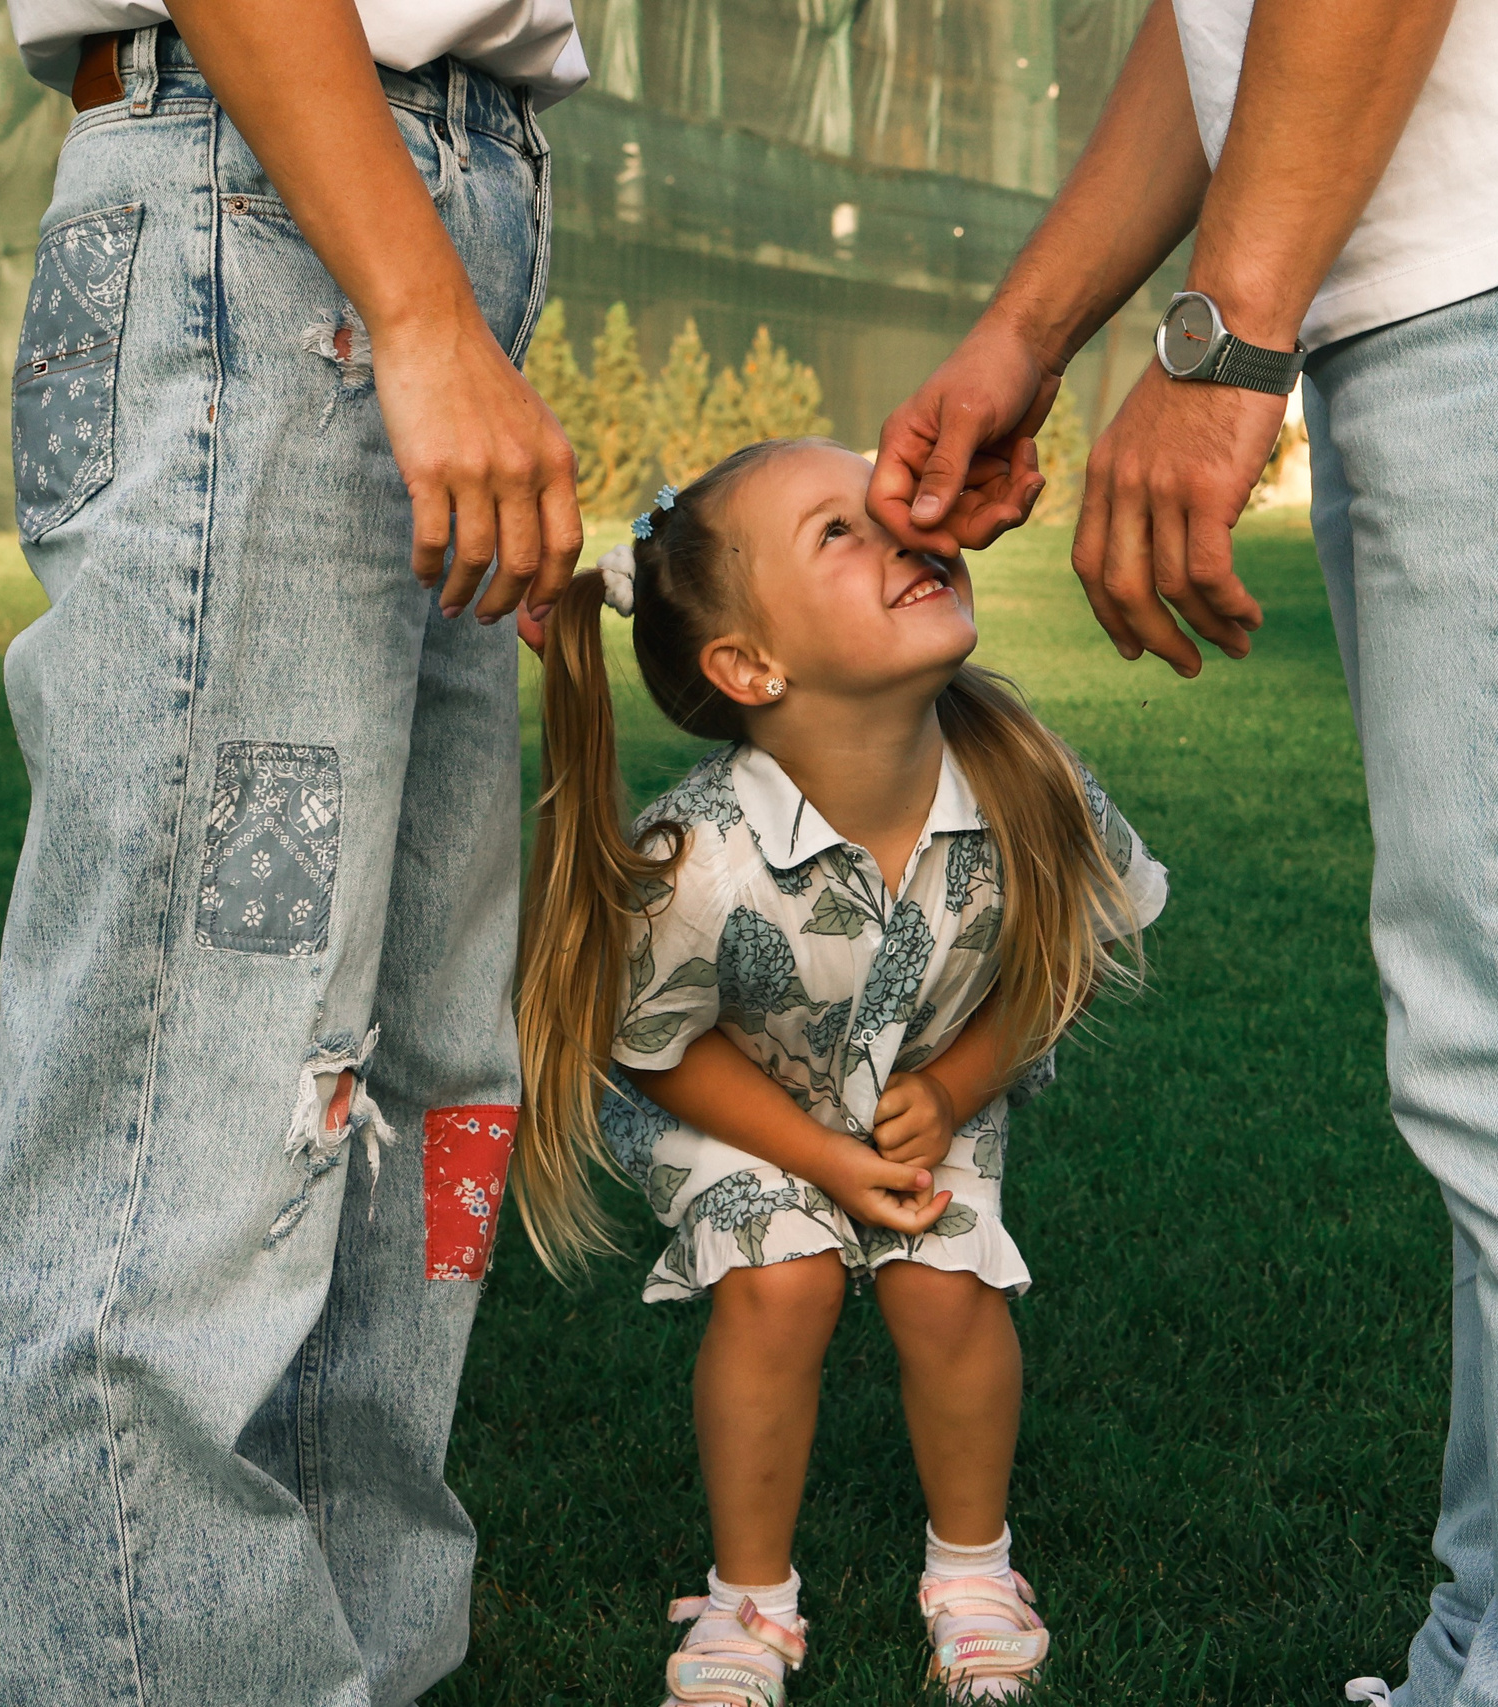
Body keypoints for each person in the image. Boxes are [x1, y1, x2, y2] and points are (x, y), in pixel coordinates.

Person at [868, 2, 1498, 1702]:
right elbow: (1222, 22)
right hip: (1494, 254)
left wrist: (1221, 339)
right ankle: (1491, 1656)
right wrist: (1026, 334)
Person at [0, 0, 587, 1699]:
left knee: (419, 1088)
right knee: (194, 1089)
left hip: (428, 198)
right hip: (273, 207)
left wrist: (443, 290)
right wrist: (418, 304)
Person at [514, 438, 1170, 1706]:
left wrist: (968, 1079)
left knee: (941, 1285)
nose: (903, 530)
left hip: (929, 1096)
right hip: (742, 1115)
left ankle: (972, 1572)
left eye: (891, 510)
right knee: (786, 1278)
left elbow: (1074, 953)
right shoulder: (697, 859)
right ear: (750, 666)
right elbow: (651, 1049)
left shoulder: (1026, 779)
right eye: (840, 532)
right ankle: (749, 1605)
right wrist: (816, 1161)